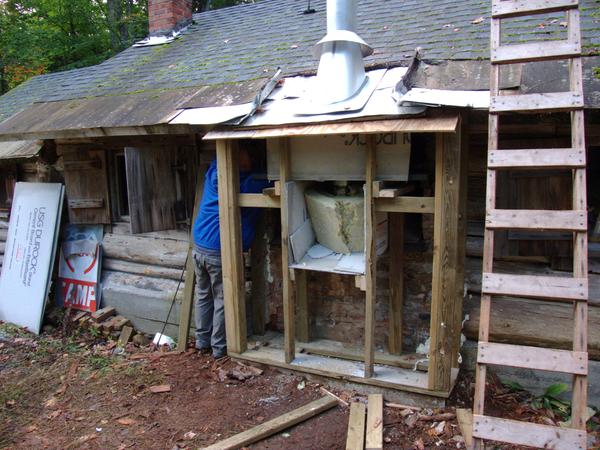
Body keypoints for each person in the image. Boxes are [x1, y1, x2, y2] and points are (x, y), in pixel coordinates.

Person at [192, 146, 269, 359]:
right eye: (244, 162)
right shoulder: (243, 182)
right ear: (235, 161)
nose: (248, 165)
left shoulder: (213, 171)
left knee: (203, 294)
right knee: (223, 297)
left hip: (199, 244)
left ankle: (202, 341)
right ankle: (219, 347)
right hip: (219, 248)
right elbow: (270, 182)